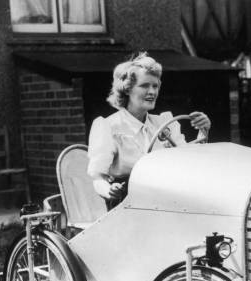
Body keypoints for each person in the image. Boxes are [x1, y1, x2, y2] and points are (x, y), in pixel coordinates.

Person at [87, 52, 211, 209]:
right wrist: (109, 190)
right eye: (145, 85)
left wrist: (203, 130)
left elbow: (188, 160)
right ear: (127, 89)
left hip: (166, 201)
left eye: (155, 86)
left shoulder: (164, 122)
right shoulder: (108, 127)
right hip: (126, 206)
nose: (152, 92)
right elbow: (98, 178)